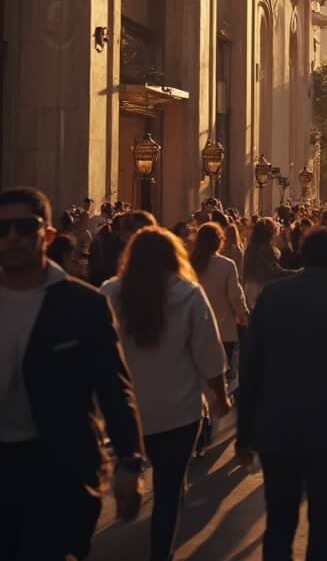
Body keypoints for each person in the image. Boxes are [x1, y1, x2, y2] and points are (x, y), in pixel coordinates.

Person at [0, 186, 145, 561]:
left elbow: (114, 386)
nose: (12, 237)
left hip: (59, 472)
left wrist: (129, 462)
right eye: (3, 228)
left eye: (24, 227)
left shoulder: (83, 304)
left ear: (47, 235)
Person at [236, 226, 327, 560]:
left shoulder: (272, 298)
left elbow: (252, 370)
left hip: (277, 429)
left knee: (279, 524)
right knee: (322, 527)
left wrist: (244, 436)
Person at [103, 225, 229, 561]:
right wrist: (221, 394)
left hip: (125, 408)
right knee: (170, 489)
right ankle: (161, 553)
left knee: (130, 455)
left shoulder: (109, 291)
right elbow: (208, 353)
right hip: (178, 410)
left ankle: (127, 476)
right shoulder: (187, 293)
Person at [191, 221, 248, 378]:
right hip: (223, 329)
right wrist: (243, 314)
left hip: (196, 327)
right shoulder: (227, 265)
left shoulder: (189, 265)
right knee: (222, 375)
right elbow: (235, 296)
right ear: (219, 241)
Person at [242, 218, 291, 309]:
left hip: (250, 290)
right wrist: (297, 273)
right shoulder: (264, 249)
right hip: (261, 292)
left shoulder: (252, 247)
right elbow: (274, 272)